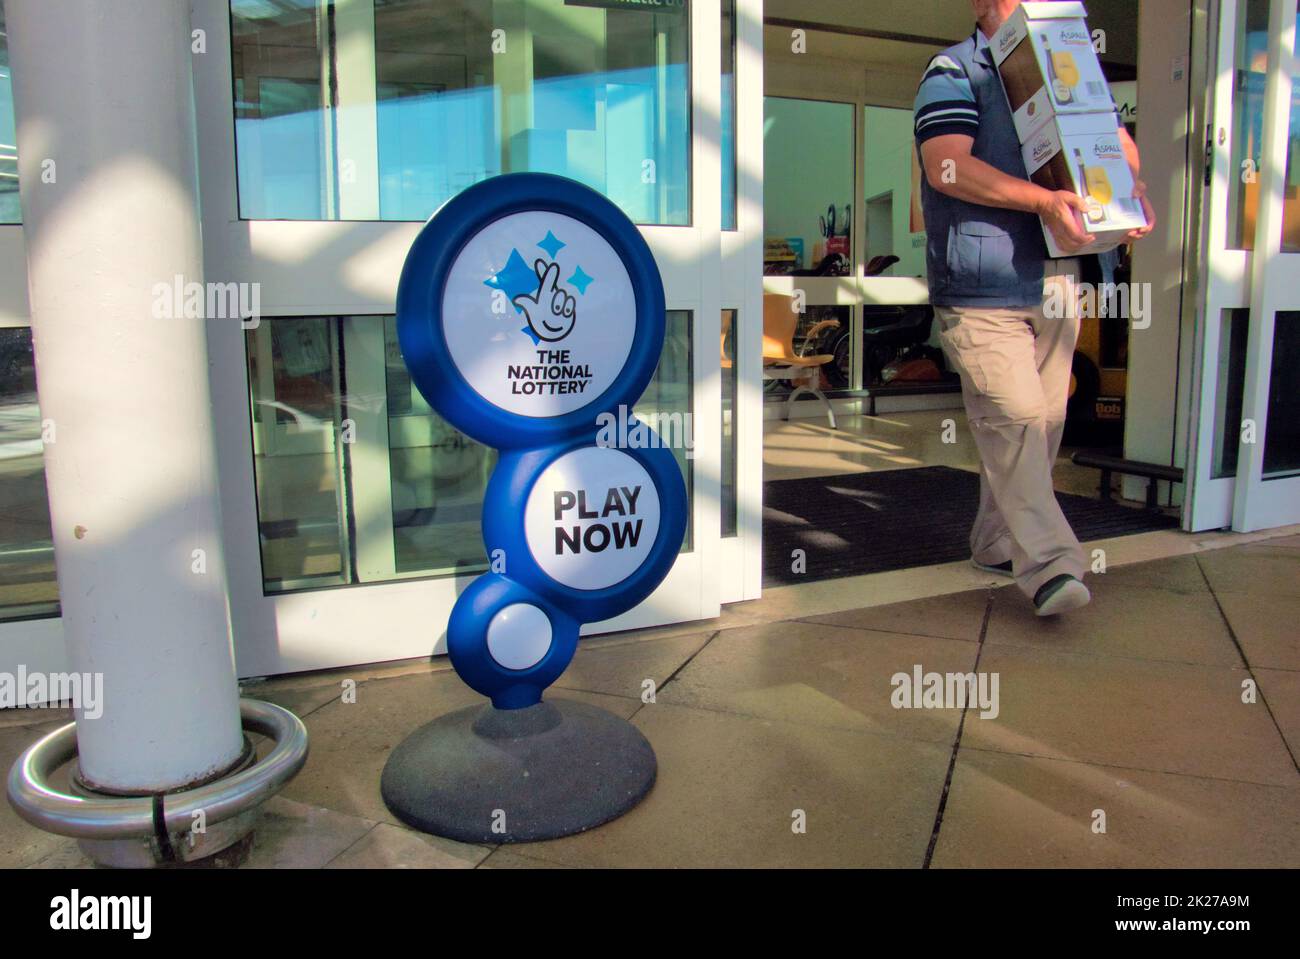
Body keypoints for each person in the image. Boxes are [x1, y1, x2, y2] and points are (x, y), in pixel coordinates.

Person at [913, 0, 1155, 616]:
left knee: (1041, 425)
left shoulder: (1068, 66)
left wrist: (1131, 193)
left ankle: (996, 541)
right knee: (1017, 417)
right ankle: (1052, 566)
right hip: (982, 282)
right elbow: (946, 166)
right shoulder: (955, 70)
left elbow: (1115, 145)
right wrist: (1046, 202)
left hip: (1055, 281)